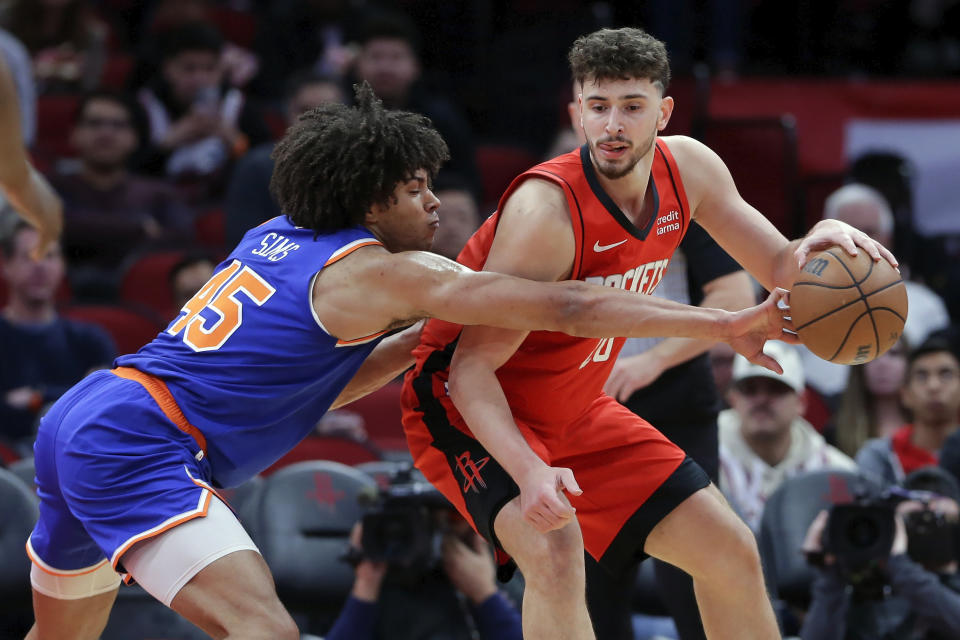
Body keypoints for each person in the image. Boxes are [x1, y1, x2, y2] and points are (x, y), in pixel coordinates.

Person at [23, 82, 797, 640]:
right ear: (367, 201)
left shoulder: (276, 233)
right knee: (262, 629)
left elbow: (301, 386)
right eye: (417, 187)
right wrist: (726, 322)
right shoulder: (383, 272)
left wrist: (413, 344)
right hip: (138, 445)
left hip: (88, 417)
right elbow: (567, 305)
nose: (435, 203)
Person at [400, 27, 895, 640]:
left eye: (631, 107)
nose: (613, 125)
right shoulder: (545, 214)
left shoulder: (690, 168)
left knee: (729, 549)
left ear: (662, 112)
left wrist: (820, 238)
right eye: (598, 106)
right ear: (576, 113)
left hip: (575, 405)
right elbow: (472, 370)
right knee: (556, 555)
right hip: (468, 404)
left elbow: (780, 266)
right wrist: (529, 471)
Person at [800, 183, 951, 400]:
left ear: (887, 237)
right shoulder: (795, 300)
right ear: (824, 239)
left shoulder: (927, 305)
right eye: (845, 229)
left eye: (868, 231)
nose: (855, 239)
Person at [51, 90, 195, 301]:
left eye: (118, 125)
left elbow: (182, 242)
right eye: (94, 123)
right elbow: (53, 230)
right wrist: (139, 229)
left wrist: (87, 233)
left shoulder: (159, 194)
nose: (106, 133)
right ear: (74, 133)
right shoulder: (49, 188)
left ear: (136, 137)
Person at [800, 466, 960, 640]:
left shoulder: (947, 594)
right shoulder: (866, 583)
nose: (923, 531)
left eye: (935, 519)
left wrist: (902, 568)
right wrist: (830, 576)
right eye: (910, 520)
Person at [0, 221, 115, 456]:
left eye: (49, 256)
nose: (40, 266)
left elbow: (107, 406)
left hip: (80, 457)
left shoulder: (90, 339)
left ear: (62, 265)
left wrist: (36, 397)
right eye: (29, 256)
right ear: (5, 265)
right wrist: (74, 393)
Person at [718, 342, 857, 532]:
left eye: (776, 389)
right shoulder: (701, 456)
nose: (761, 399)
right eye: (750, 389)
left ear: (801, 402)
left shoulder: (834, 469)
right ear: (733, 399)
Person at [136, 21, 271, 204]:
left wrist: (234, 142)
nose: (200, 78)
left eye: (209, 69)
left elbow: (266, 167)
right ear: (168, 69)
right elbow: (129, 168)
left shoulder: (239, 105)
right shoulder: (144, 105)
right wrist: (167, 144)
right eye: (189, 68)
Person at [325, 516, 522, 640]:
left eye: (453, 517)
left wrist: (485, 594)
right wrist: (366, 583)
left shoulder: (497, 571)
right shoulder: (378, 580)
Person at [351, 9, 480, 198]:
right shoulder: (342, 116)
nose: (385, 68)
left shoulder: (440, 119)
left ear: (415, 67)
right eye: (376, 57)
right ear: (357, 65)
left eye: (396, 57)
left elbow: (466, 182)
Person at [224, 70, 346, 247]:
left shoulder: (365, 167)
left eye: (328, 111)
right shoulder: (257, 167)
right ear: (287, 112)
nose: (316, 119)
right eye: (305, 110)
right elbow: (245, 239)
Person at [856, 337, 960, 486]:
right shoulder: (879, 457)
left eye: (946, 374)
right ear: (905, 394)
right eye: (921, 376)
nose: (933, 386)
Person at [831, 337, 910, 458]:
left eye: (894, 354)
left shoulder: (930, 424)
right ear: (858, 366)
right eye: (873, 354)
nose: (883, 364)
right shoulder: (835, 432)